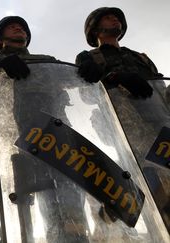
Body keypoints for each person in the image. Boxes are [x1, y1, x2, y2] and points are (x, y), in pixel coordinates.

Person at [0, 16, 89, 242]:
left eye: (22, 27)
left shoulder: (45, 60)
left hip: (55, 136)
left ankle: (72, 236)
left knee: (66, 196)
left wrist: (86, 69)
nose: (18, 28)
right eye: (11, 26)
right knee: (13, 199)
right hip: (12, 138)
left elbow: (73, 78)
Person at [76, 7, 170, 231]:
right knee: (151, 177)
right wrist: (115, 77)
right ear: (95, 29)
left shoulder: (140, 57)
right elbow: (86, 91)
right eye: (108, 17)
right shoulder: (90, 57)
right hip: (127, 124)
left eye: (117, 17)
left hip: (159, 120)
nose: (115, 19)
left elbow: (159, 87)